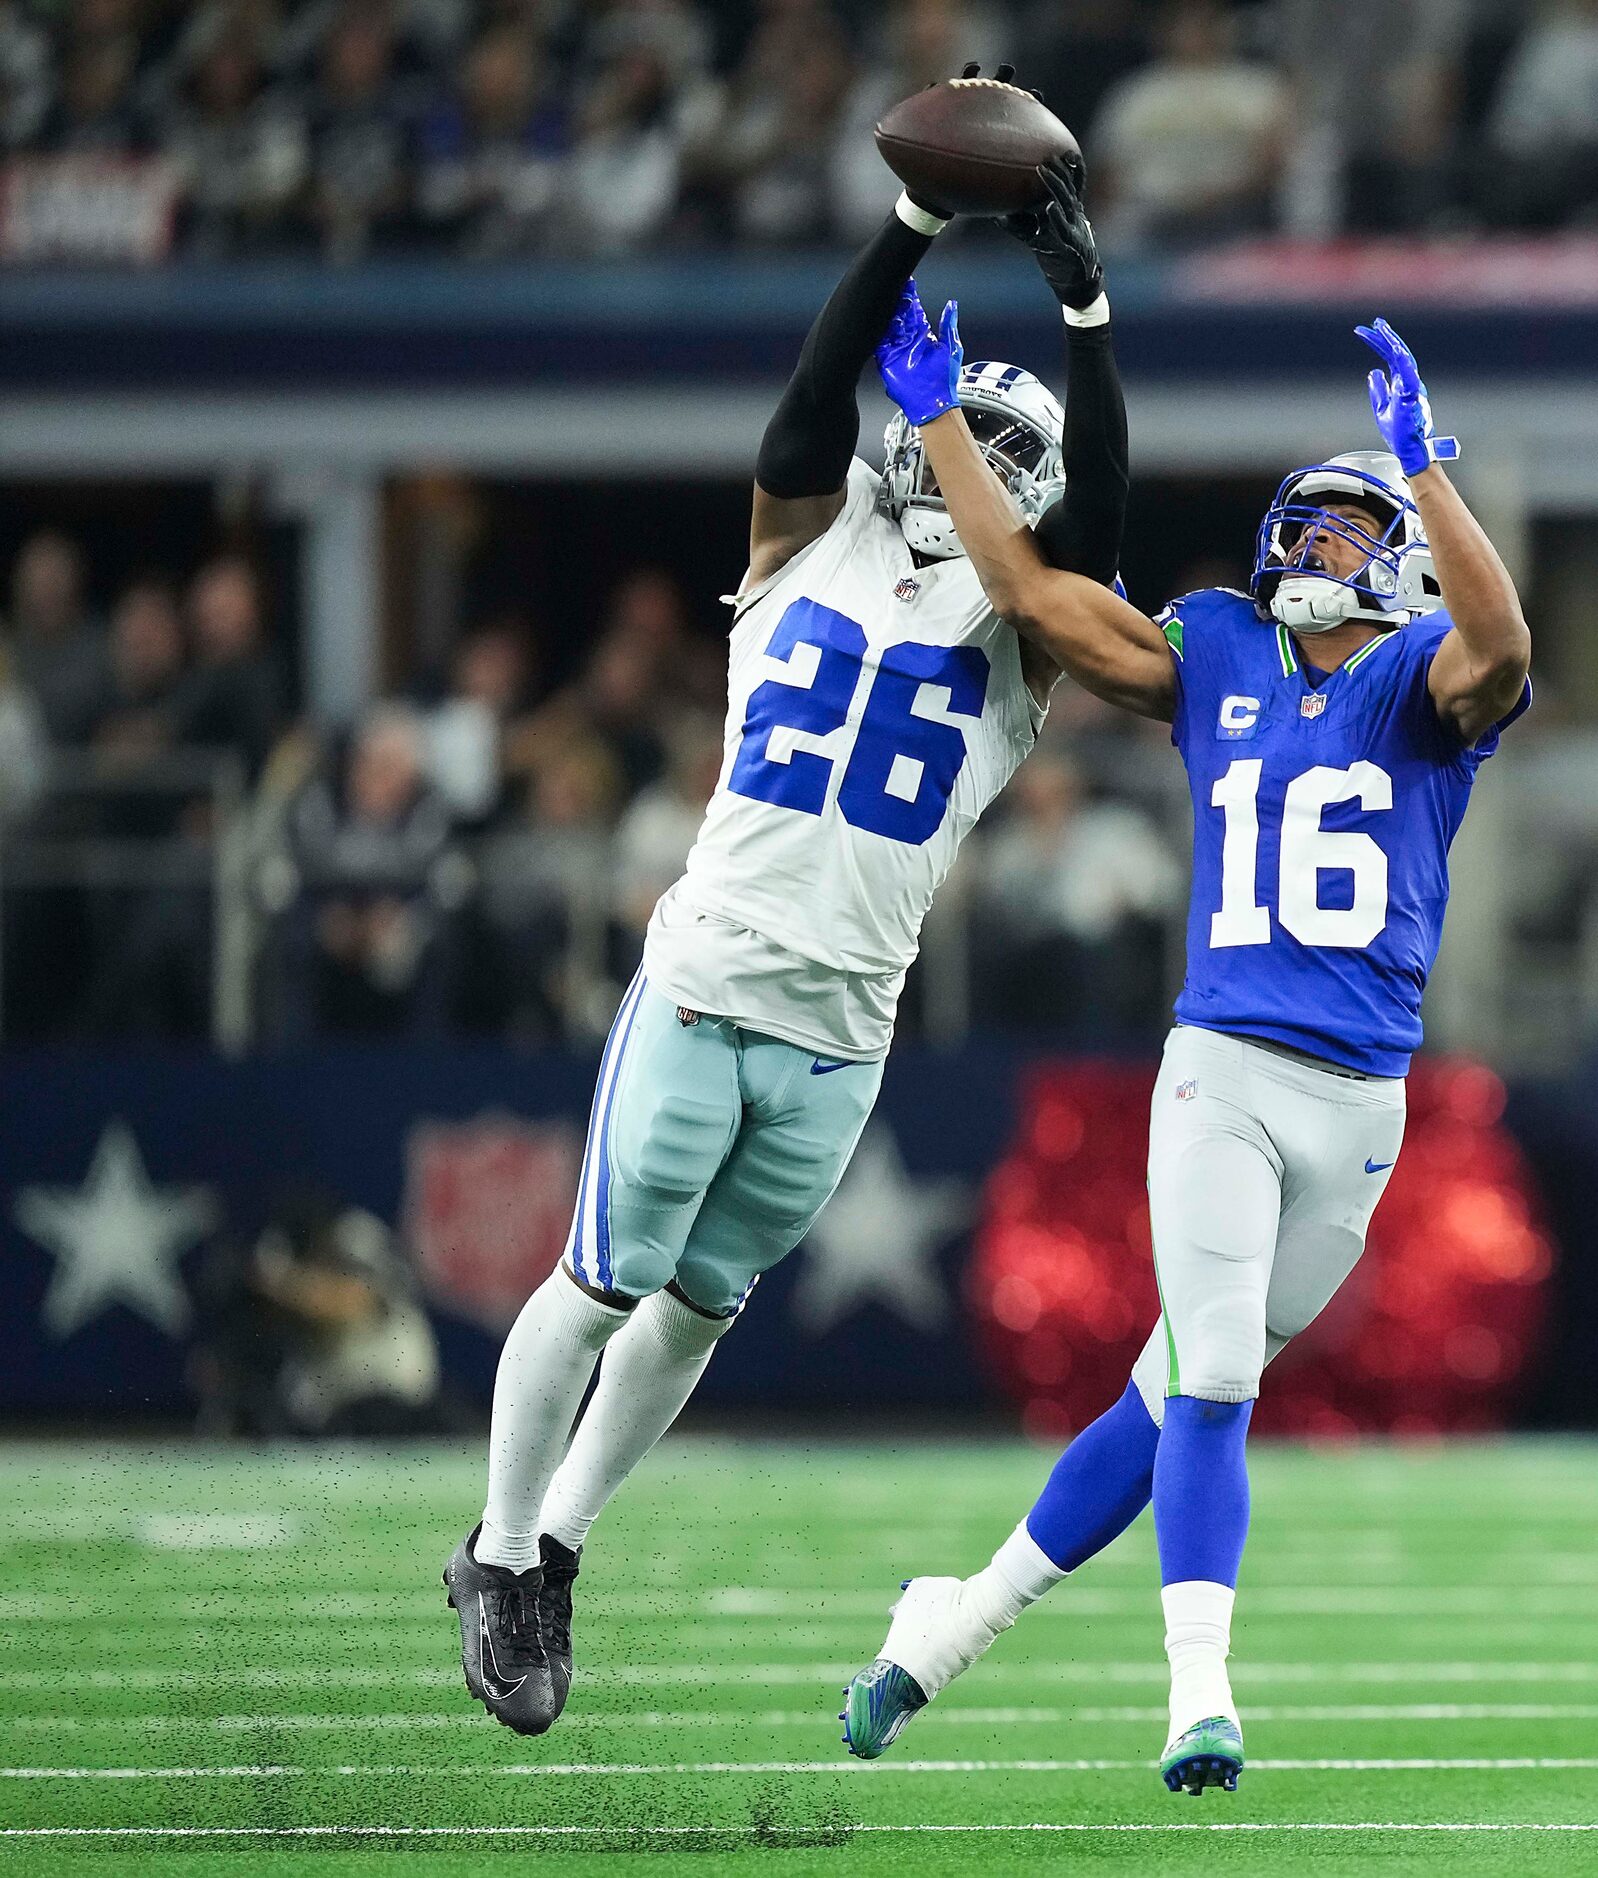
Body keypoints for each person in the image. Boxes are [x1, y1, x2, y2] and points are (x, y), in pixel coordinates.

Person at [443, 73, 1131, 1738]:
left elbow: (1091, 530)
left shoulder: (1017, 632)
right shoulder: (802, 540)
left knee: (696, 1311)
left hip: (843, 1028)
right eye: (941, 414)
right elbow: (807, 403)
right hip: (710, 971)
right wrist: (904, 229)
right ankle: (498, 1544)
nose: (933, 434)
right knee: (603, 1278)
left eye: (984, 435)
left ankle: (560, 1550)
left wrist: (1086, 313)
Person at [845, 300, 1531, 1795]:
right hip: (1220, 1066)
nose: (1313, 551)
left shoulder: (1421, 679)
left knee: (1167, 1394)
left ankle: (944, 1629)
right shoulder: (1212, 642)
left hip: (1359, 1112)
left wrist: (1425, 469)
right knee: (1215, 1371)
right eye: (1307, 526)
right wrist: (944, 428)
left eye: (1350, 534)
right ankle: (1196, 1697)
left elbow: (1502, 642)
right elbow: (1031, 594)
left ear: (1399, 557)